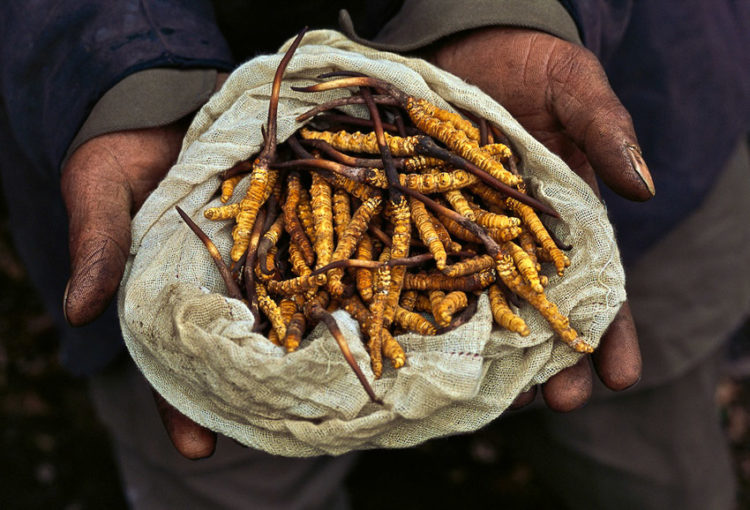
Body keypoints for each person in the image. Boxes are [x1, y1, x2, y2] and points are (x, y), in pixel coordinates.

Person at [1, 1, 748, 508]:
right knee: (230, 445)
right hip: (159, 110)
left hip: (630, 73)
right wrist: (126, 75)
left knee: (646, 443)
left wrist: (506, 6)